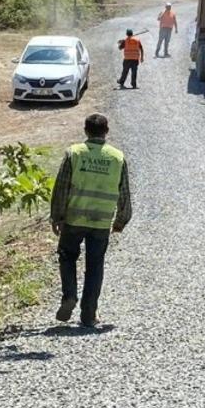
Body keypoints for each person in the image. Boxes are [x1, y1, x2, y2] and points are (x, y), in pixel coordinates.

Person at [50, 113, 132, 327]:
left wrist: (57, 216)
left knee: (67, 258)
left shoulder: (74, 153)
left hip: (74, 218)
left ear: (85, 131)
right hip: (101, 222)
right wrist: (122, 219)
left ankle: (69, 295)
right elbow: (124, 191)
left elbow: (62, 186)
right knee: (95, 266)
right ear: (106, 131)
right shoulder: (117, 157)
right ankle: (89, 314)